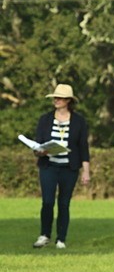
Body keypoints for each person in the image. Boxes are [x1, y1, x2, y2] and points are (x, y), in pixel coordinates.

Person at [32, 84, 91, 248]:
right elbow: (38, 144)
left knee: (64, 204)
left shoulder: (79, 121)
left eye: (60, 98)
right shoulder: (45, 119)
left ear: (68, 101)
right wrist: (39, 151)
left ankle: (61, 239)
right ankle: (44, 235)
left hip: (69, 169)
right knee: (47, 202)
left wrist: (86, 171)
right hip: (48, 167)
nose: (56, 100)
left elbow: (83, 147)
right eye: (55, 97)